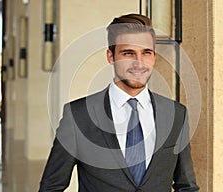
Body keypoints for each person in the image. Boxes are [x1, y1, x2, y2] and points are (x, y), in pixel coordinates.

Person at [39, 13, 199, 192]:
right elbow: (51, 187)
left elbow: (187, 186)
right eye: (128, 53)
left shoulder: (175, 114)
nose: (139, 63)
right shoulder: (79, 116)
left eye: (146, 53)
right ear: (111, 56)